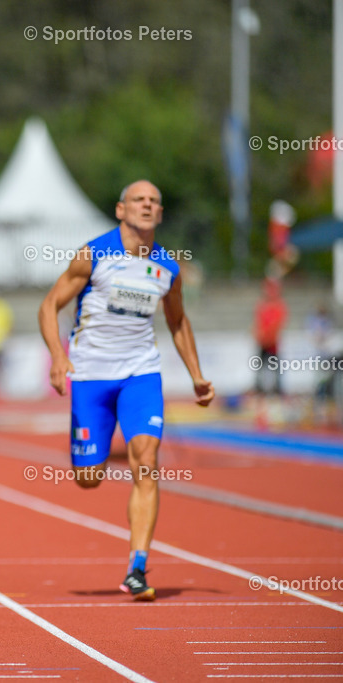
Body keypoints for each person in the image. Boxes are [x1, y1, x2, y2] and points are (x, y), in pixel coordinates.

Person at [38, 179, 214, 601]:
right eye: (139, 200)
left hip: (141, 374)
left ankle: (137, 567)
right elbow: (49, 306)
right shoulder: (93, 254)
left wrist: (196, 374)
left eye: (155, 200)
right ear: (121, 210)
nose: (148, 205)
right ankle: (96, 453)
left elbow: (177, 320)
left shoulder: (168, 268)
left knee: (146, 461)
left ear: (160, 213)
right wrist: (58, 358)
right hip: (91, 377)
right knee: (88, 478)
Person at [253, 277, 288, 397]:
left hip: (272, 342)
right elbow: (258, 322)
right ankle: (260, 387)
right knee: (260, 365)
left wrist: (267, 336)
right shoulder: (263, 305)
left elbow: (277, 323)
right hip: (264, 342)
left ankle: (277, 387)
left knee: (274, 365)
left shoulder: (278, 305)